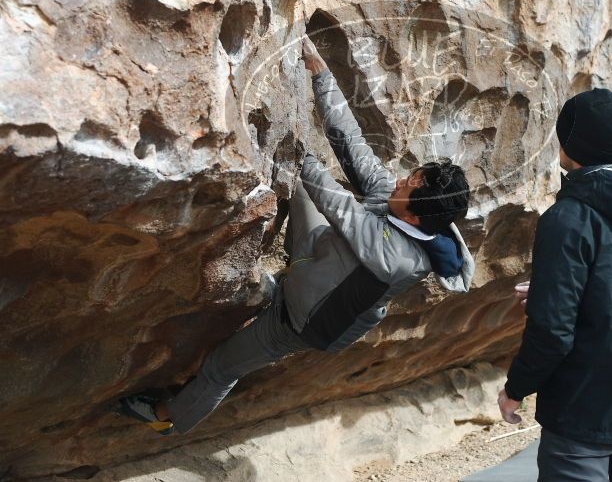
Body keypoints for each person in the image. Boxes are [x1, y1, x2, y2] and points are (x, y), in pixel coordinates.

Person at [119, 35, 474, 435]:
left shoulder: (399, 260)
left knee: (220, 368)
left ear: (413, 216)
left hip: (300, 322)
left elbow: (337, 202)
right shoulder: (402, 208)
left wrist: (295, 151)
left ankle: (166, 417)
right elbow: (351, 145)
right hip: (317, 260)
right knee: (299, 187)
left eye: (408, 184)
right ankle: (284, 278)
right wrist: (321, 75)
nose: (397, 181)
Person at [497, 88, 612, 481]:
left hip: (583, 410)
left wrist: (516, 389)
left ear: (568, 144)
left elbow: (553, 332)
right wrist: (549, 292)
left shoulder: (568, 218)